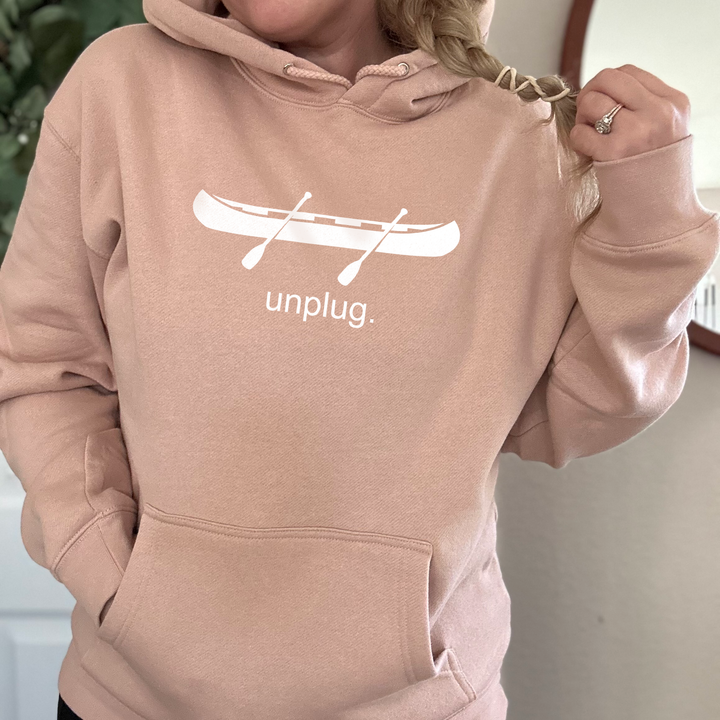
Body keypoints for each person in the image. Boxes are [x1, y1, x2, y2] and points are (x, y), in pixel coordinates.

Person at [0, 0, 717, 718]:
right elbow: (39, 366)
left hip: (419, 702)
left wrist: (650, 228)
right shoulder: (122, 90)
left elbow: (573, 415)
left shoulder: (519, 143)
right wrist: (113, 575)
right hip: (130, 699)